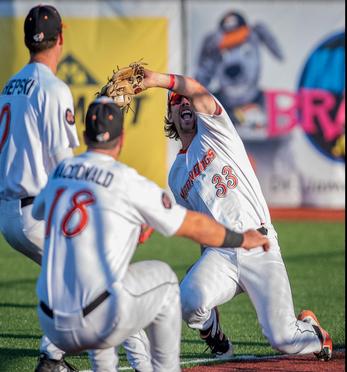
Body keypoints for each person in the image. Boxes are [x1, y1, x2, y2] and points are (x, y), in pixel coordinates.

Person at [31, 96, 270, 372]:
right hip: (97, 315)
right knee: (164, 281)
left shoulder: (62, 171)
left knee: (109, 284)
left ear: (85, 135)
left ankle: (66, 363)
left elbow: (40, 212)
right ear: (121, 138)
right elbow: (192, 225)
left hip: (50, 320)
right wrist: (241, 239)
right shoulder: (126, 180)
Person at [137, 68, 333, 361]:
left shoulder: (216, 130)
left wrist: (157, 80)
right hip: (221, 254)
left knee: (283, 340)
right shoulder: (176, 175)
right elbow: (201, 224)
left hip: (259, 245)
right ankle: (217, 339)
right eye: (176, 101)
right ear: (171, 115)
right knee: (189, 301)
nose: (185, 103)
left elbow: (196, 90)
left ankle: (312, 331)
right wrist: (204, 261)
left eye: (186, 99)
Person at [0, 5, 80, 371]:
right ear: (60, 37)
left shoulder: (9, 84)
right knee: (92, 268)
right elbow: (64, 163)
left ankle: (56, 355)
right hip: (36, 211)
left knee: (71, 273)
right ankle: (52, 357)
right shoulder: (53, 87)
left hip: (9, 213)